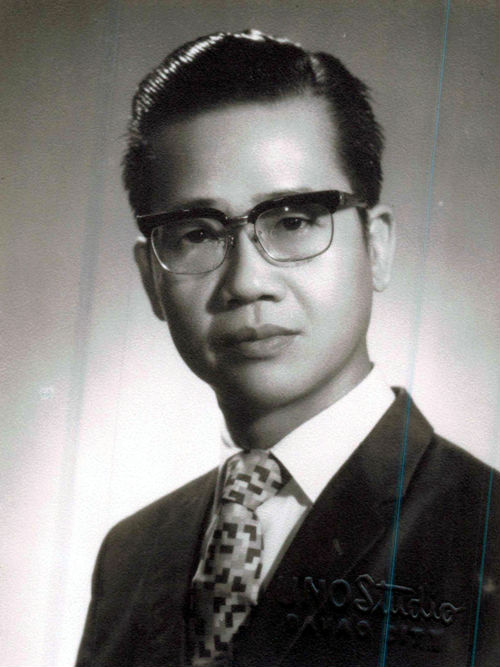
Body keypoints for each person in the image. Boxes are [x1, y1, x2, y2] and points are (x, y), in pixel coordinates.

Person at [76, 29, 500, 666]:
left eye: (293, 221)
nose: (247, 282)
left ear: (376, 247)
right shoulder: (130, 556)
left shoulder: (488, 534)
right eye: (197, 233)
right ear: (151, 280)